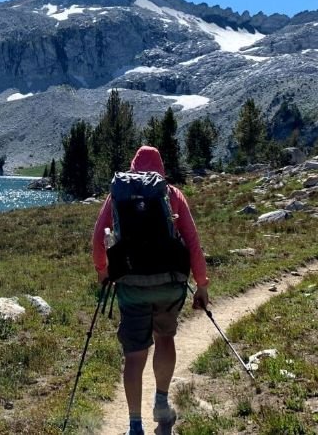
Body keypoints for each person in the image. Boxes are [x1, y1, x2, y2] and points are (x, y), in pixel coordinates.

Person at [92, 145, 210, 435]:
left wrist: (103, 272)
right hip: (170, 284)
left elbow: (98, 237)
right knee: (165, 338)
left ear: (133, 168)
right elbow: (193, 243)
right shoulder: (172, 194)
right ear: (161, 169)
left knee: (134, 355)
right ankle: (161, 402)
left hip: (132, 285)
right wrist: (202, 285)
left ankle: (134, 425)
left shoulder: (118, 194)